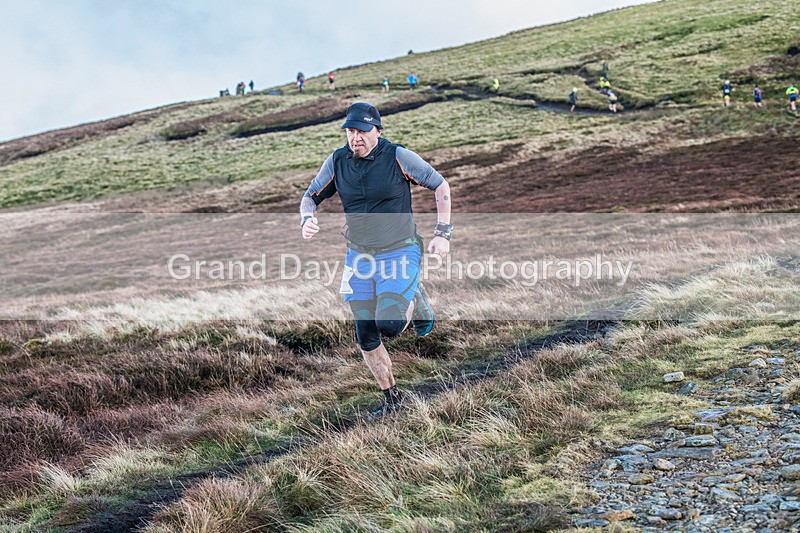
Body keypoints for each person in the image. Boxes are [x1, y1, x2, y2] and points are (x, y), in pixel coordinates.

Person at [300, 102, 452, 417]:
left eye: (362, 131)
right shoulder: (337, 161)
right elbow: (310, 196)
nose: (355, 137)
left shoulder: (398, 156)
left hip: (400, 249)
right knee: (366, 334)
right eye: (350, 131)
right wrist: (307, 218)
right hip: (359, 256)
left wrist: (443, 233)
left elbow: (440, 184)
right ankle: (392, 399)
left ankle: (414, 294)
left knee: (390, 324)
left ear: (378, 131)